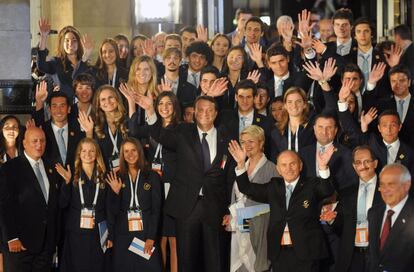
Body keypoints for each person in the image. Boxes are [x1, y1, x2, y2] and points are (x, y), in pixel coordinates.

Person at [138, 95, 232, 272]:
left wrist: (229, 209)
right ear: (195, 112)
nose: (205, 113)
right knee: (187, 261)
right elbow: (160, 134)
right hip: (187, 208)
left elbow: (228, 178)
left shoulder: (226, 137)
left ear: (216, 113)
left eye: (209, 110)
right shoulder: (183, 132)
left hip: (215, 209)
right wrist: (150, 111)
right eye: (201, 109)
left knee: (215, 261)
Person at [228, 144, 335, 271]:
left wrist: (323, 167)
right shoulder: (273, 186)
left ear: (300, 166)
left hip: (307, 253)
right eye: (283, 165)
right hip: (279, 253)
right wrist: (241, 164)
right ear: (278, 169)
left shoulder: (311, 185)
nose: (288, 168)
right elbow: (247, 188)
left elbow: (326, 190)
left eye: (292, 164)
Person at [55, 138, 119, 272]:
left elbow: (111, 208)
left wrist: (111, 234)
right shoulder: (71, 174)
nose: (87, 154)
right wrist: (66, 183)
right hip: (76, 233)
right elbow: (62, 203)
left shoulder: (106, 176)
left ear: (97, 154)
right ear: (79, 153)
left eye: (91, 151)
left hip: (99, 233)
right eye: (84, 150)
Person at [1, 127, 59, 271]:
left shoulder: (52, 167)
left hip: (45, 247)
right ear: (24, 143)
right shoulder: (9, 168)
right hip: (20, 245)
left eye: (42, 141)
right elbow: (4, 206)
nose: (39, 144)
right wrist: (12, 237)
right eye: (34, 141)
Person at [321, 145, 384, 272]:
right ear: (354, 166)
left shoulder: (387, 189)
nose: (363, 165)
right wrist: (332, 220)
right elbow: (341, 226)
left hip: (379, 255)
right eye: (358, 162)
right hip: (351, 257)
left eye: (367, 161)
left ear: (375, 163)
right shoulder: (347, 193)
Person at [223, 125, 277, 272]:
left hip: (260, 227)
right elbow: (237, 196)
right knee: (241, 262)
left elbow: (274, 203)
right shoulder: (242, 165)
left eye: (251, 141)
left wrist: (243, 213)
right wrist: (232, 213)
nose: (246, 146)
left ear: (261, 143)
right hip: (241, 225)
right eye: (243, 142)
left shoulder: (272, 169)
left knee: (257, 264)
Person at [108, 138, 162, 272]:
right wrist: (115, 192)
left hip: (145, 233)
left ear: (140, 152)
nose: (130, 154)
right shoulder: (116, 176)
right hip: (123, 234)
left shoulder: (152, 176)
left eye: (133, 150)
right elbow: (112, 210)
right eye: (126, 151)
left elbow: (156, 210)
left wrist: (151, 237)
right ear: (122, 154)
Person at [367, 163, 414, 272]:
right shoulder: (373, 213)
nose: (385, 190)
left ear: (406, 185)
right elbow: (372, 254)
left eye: (391, 184)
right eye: (382, 185)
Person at [37, 19, 92, 101]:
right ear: (62, 43)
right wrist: (43, 37)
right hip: (62, 107)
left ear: (79, 43)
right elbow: (41, 66)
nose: (70, 44)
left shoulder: (86, 64)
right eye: (67, 41)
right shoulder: (56, 62)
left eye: (74, 40)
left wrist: (85, 57)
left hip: (81, 108)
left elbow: (79, 82)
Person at [300, 113, 356, 190]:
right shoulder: (303, 153)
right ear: (314, 129)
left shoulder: (346, 153)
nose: (324, 131)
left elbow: (350, 183)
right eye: (320, 127)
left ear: (335, 130)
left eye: (329, 127)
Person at [33, 88, 84, 167]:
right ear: (49, 109)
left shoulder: (79, 128)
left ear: (69, 109)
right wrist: (39, 101)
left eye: (62, 106)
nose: (58, 111)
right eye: (54, 106)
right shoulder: (43, 130)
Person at [90, 85, 129, 170]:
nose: (107, 101)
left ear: (117, 99)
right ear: (99, 104)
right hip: (106, 174)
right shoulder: (95, 126)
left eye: (111, 97)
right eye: (103, 99)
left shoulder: (127, 121)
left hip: (128, 172)